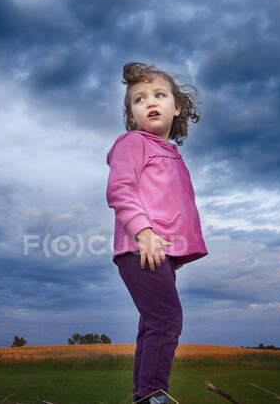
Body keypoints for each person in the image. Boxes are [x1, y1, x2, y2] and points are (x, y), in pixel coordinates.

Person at [106, 62, 208, 403]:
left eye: (159, 95)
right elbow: (120, 190)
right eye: (139, 99)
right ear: (131, 114)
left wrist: (175, 251)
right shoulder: (134, 143)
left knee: (153, 323)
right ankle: (153, 396)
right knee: (166, 318)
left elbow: (172, 205)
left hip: (159, 251)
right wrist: (144, 233)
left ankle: (144, 395)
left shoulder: (172, 154)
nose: (149, 102)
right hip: (141, 246)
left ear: (176, 107)